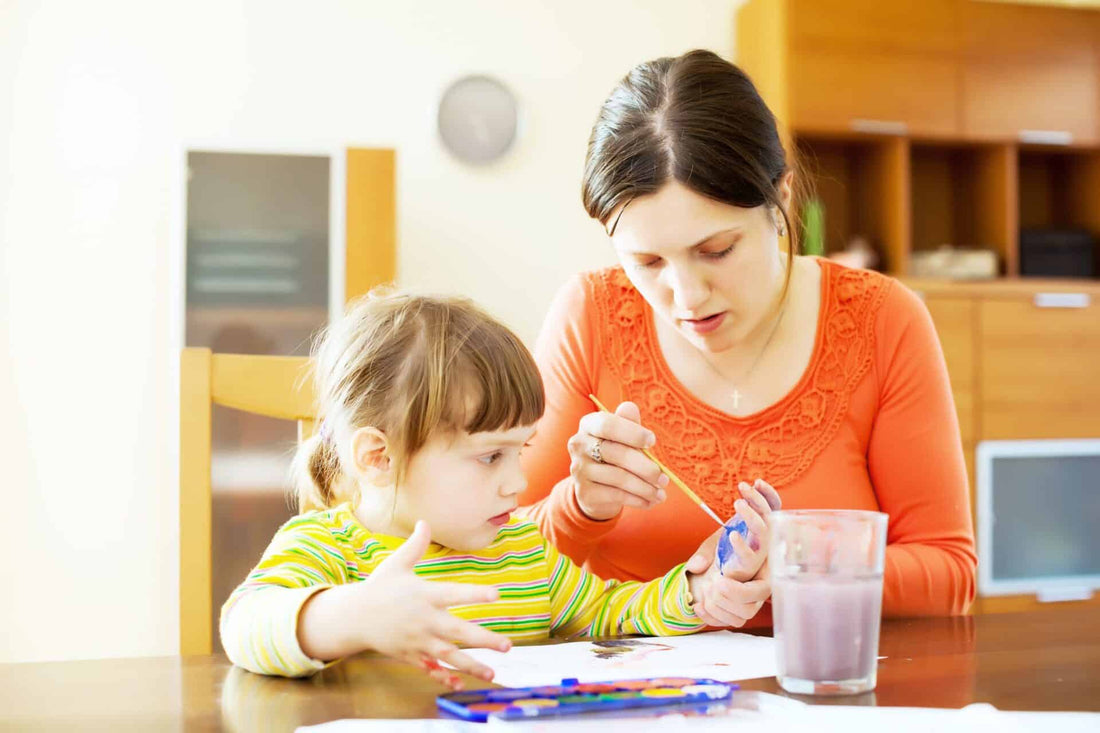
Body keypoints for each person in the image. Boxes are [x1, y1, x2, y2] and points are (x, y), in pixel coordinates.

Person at [520, 49, 977, 628]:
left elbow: (949, 573)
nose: (687, 296)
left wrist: (796, 572)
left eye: (716, 251)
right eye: (647, 261)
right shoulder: (589, 316)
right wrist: (581, 507)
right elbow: (489, 562)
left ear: (782, 198)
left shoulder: (883, 320)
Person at [219, 289, 771, 684]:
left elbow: (610, 614)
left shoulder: (522, 552)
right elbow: (244, 624)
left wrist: (701, 591)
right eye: (490, 457)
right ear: (379, 458)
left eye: (520, 450)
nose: (520, 482)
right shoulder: (331, 549)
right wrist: (355, 614)